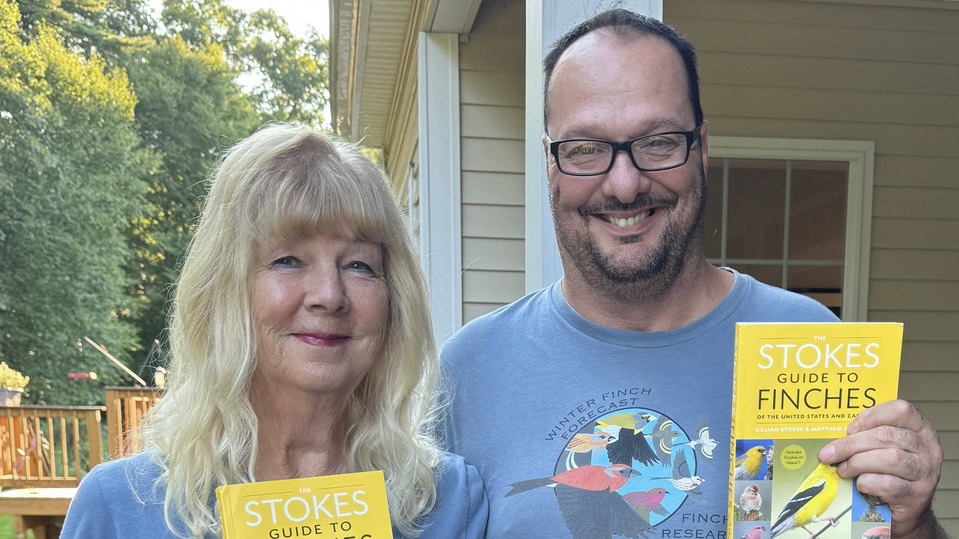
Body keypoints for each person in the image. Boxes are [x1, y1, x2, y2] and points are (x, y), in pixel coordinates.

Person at [440, 9, 947, 539]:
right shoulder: (468, 373)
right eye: (585, 149)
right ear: (549, 162)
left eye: (657, 141)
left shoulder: (805, 341)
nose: (623, 184)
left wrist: (912, 522)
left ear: (701, 148)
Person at [61, 124, 488, 539]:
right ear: (224, 288)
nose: (329, 295)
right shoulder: (119, 509)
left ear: (396, 298)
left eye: (359, 264)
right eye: (288, 260)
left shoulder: (449, 503)